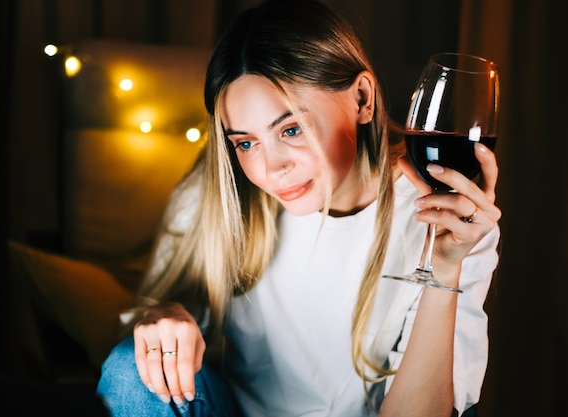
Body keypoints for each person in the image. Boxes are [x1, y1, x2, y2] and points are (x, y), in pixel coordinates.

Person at [96, 0, 501, 416]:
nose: (272, 168)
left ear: (362, 98)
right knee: (132, 369)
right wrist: (163, 314)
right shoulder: (219, 189)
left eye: (291, 129)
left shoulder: (449, 223)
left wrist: (445, 270)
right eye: (246, 142)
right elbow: (158, 331)